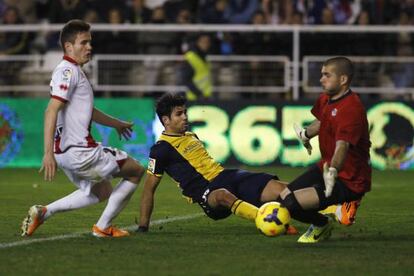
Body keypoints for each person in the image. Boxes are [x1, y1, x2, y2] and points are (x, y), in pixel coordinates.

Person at [136, 93, 353, 233]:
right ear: (166, 120)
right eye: (179, 114)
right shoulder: (160, 149)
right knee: (222, 194)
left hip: (227, 176)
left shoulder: (191, 135)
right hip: (207, 193)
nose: (185, 117)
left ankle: (335, 210)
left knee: (283, 190)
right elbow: (148, 189)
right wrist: (143, 226)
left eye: (185, 112)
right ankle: (264, 219)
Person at [21, 20, 145, 238]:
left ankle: (45, 212)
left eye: (90, 42)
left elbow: (88, 110)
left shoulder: (72, 71)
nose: (89, 47)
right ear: (69, 47)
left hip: (67, 155)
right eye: (84, 43)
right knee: (135, 171)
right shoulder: (68, 72)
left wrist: (116, 123)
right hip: (81, 152)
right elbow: (50, 110)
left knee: (102, 191)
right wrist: (46, 153)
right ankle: (103, 228)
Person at [285, 56, 371, 243]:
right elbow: (322, 121)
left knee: (291, 204)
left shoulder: (351, 108)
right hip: (325, 166)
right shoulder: (326, 98)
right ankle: (328, 215)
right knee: (283, 198)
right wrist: (306, 135)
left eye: (327, 75)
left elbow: (343, 146)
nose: (321, 79)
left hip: (349, 179)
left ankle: (322, 224)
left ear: (343, 79)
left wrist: (333, 172)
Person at [181, 34, 213, 101]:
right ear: (197, 42)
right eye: (203, 42)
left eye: (208, 42)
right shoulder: (190, 57)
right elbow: (186, 79)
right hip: (194, 98)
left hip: (206, 96)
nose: (206, 44)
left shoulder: (205, 57)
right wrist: (199, 94)